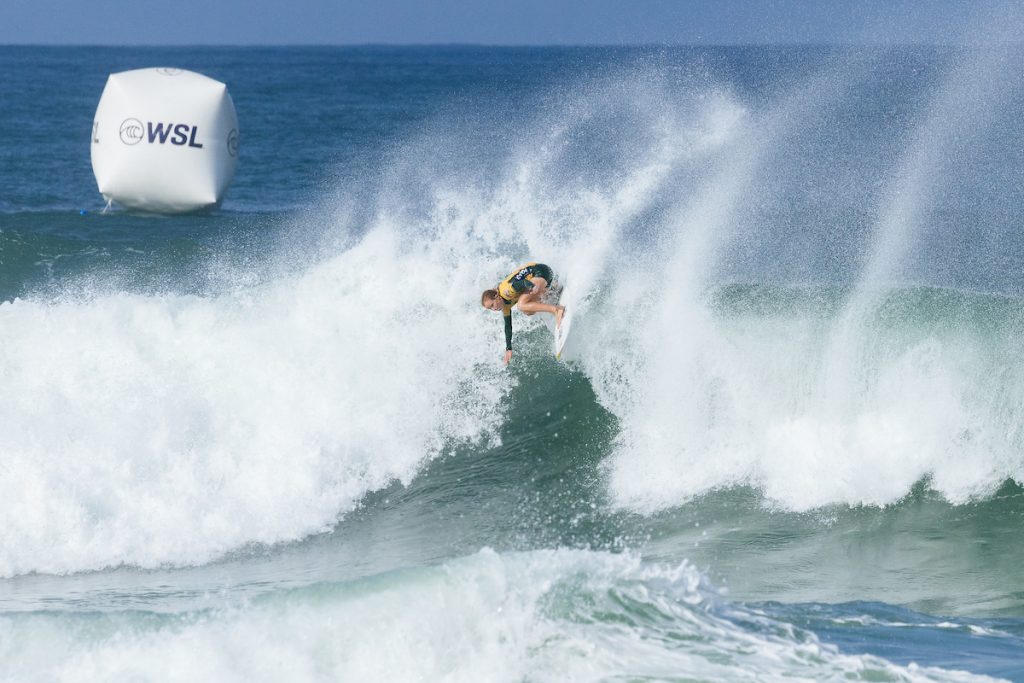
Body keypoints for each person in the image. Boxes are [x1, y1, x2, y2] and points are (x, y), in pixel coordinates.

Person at [481, 262, 565, 364]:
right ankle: (552, 290)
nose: (493, 309)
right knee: (527, 311)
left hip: (540, 271)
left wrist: (531, 286)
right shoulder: (505, 306)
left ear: (496, 296)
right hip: (541, 276)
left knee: (521, 305)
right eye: (491, 309)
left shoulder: (506, 292)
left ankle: (556, 310)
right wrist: (508, 348)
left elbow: (522, 283)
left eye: (492, 305)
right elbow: (508, 326)